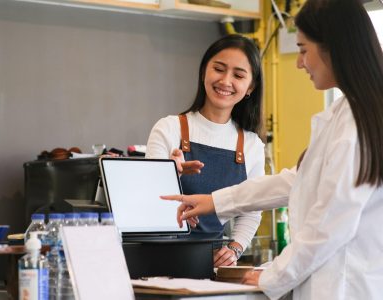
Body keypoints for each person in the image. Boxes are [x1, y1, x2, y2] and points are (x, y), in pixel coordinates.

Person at [161, 0, 383, 299]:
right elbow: (296, 181)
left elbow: (329, 226)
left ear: (332, 47)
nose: (299, 62)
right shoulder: (347, 114)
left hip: (345, 287)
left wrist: (273, 275)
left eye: (304, 49)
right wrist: (215, 201)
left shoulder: (356, 123)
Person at [146, 34, 265, 267]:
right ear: (203, 73)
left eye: (238, 75)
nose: (226, 81)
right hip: (157, 259)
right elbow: (150, 200)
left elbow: (252, 209)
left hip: (212, 264)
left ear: (250, 87)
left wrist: (235, 249)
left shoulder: (252, 145)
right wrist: (170, 176)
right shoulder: (169, 128)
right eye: (219, 69)